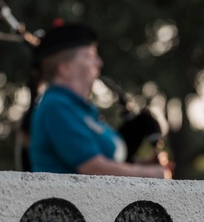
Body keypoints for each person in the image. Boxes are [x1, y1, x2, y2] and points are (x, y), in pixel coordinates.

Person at [27, 21, 172, 179]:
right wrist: (149, 174)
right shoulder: (56, 106)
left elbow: (106, 164)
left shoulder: (81, 110)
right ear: (65, 68)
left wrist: (142, 166)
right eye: (90, 56)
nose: (99, 63)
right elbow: (92, 166)